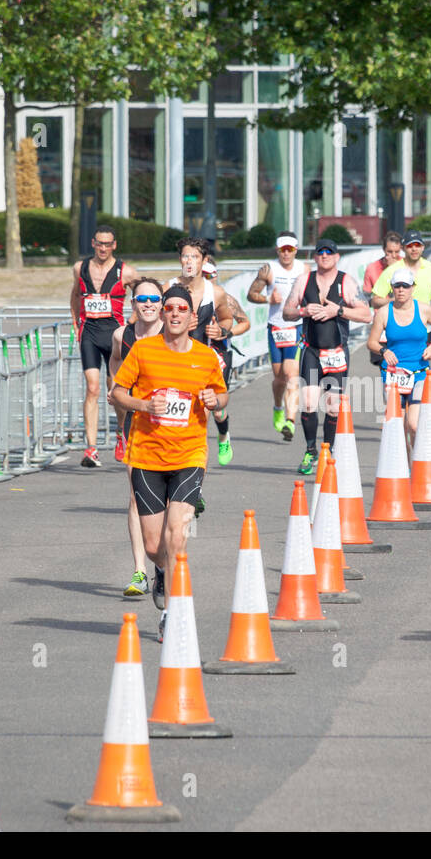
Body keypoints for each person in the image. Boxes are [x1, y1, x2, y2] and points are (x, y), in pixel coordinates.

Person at [108, 285, 228, 640]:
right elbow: (117, 391)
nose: (175, 314)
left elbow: (221, 395)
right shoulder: (144, 351)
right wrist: (144, 406)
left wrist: (213, 398)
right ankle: (159, 571)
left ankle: (172, 615)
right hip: (146, 455)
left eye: (182, 309)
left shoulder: (206, 357)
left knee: (178, 536)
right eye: (170, 308)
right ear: (163, 313)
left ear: (192, 317)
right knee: (153, 546)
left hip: (190, 453)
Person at [282, 237, 373, 475]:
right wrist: (303, 310)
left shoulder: (346, 282)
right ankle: (311, 450)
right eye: (320, 252)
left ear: (336, 257)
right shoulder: (304, 280)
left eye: (329, 253)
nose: (324, 256)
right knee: (310, 403)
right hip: (311, 350)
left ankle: (328, 450)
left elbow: (366, 314)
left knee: (333, 407)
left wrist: (339, 310)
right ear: (314, 257)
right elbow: (286, 312)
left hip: (336, 352)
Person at [106, 277, 165, 599]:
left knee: (168, 502)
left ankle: (163, 566)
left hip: (171, 426)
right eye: (142, 299)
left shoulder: (172, 333)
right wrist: (116, 388)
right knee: (136, 497)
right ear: (133, 303)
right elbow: (116, 362)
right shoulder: (121, 335)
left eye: (154, 299)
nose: (148, 304)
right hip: (137, 423)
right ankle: (140, 570)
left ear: (162, 303)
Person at [172, 242, 248, 466]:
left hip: (214, 356)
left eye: (208, 273)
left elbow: (243, 322)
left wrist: (223, 332)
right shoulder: (173, 290)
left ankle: (223, 436)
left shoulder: (219, 294)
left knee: (215, 411)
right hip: (181, 360)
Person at [71, 224, 138, 468]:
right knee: (92, 388)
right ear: (93, 243)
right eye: (99, 243)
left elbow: (145, 294)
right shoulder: (80, 268)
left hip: (115, 336)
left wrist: (132, 323)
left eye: (107, 244)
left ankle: (121, 433)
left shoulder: (126, 272)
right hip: (89, 333)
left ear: (114, 245)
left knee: (115, 392)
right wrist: (76, 323)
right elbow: (76, 296)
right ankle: (91, 448)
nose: (103, 248)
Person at [367, 266, 431, 452]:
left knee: (414, 424)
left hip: (419, 372)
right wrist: (384, 350)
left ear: (413, 287)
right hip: (394, 375)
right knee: (398, 427)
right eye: (397, 286)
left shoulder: (424, 310)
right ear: (392, 288)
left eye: (405, 286)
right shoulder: (384, 313)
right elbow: (371, 342)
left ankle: (421, 463)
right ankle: (407, 468)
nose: (401, 290)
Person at [247, 231, 305, 441]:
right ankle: (278, 407)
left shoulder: (303, 269)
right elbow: (251, 294)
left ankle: (290, 420)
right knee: (279, 377)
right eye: (283, 250)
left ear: (296, 250)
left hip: (295, 327)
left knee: (292, 375)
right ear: (277, 250)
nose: (286, 254)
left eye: (290, 250)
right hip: (276, 329)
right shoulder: (269, 269)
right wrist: (267, 299)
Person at [370, 230, 431, 312]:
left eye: (417, 245)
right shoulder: (392, 270)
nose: (414, 249)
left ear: (423, 247)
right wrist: (394, 301)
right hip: (400, 321)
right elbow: (375, 301)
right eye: (409, 246)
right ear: (403, 248)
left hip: (426, 321)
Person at [363, 231, 403, 296]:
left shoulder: (405, 265)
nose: (393, 255)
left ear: (401, 249)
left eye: (397, 252)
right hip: (380, 304)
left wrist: (393, 269)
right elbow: (366, 297)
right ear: (384, 249)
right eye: (390, 251)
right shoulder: (372, 268)